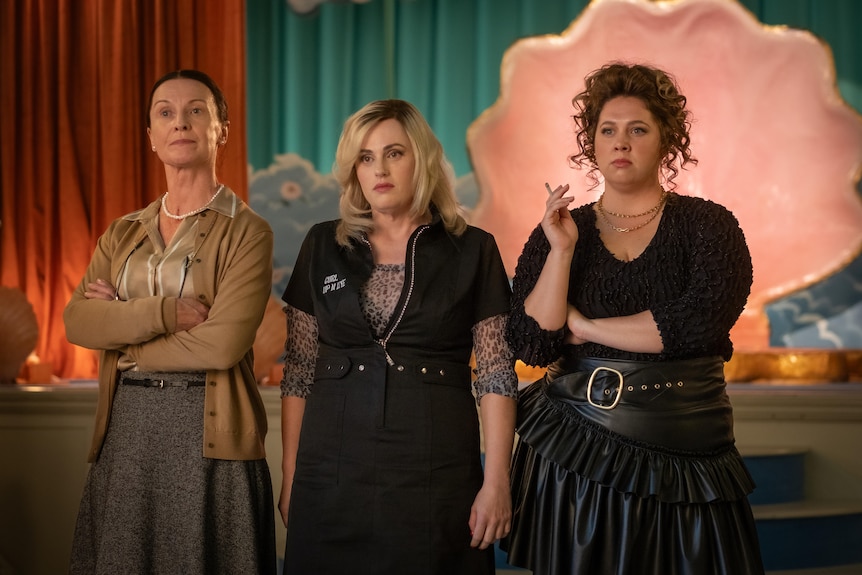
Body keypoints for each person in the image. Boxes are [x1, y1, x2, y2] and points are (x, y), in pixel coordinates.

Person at [502, 63, 765, 575]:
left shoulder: (709, 225)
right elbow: (532, 343)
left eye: (638, 129)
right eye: (608, 130)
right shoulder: (561, 229)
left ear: (667, 141)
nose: (621, 141)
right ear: (592, 145)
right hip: (575, 451)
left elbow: (695, 326)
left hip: (687, 451)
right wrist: (560, 253)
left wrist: (585, 328)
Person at [277, 99, 518, 574]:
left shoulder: (474, 249)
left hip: (435, 468)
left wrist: (497, 482)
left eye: (394, 153)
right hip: (330, 469)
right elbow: (299, 372)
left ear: (422, 160)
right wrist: (291, 477)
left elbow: (496, 375)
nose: (379, 169)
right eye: (365, 158)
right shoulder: (322, 242)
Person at [64, 69, 276, 574]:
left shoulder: (249, 232)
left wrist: (125, 336)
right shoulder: (121, 233)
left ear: (220, 128)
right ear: (152, 138)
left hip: (211, 439)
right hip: (127, 432)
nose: (180, 122)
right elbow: (78, 322)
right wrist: (167, 313)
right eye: (165, 112)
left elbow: (221, 347)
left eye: (196, 110)